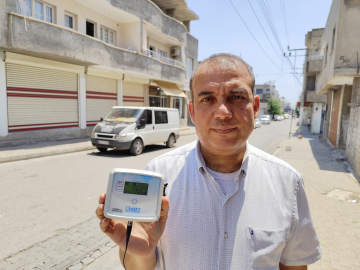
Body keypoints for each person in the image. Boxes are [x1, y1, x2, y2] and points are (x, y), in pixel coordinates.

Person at [96, 53, 321, 270]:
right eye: (207, 99)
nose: (223, 112)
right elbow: (139, 266)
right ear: (192, 111)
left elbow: (294, 265)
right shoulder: (159, 174)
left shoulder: (288, 184)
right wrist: (140, 253)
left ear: (255, 107)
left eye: (236, 97)